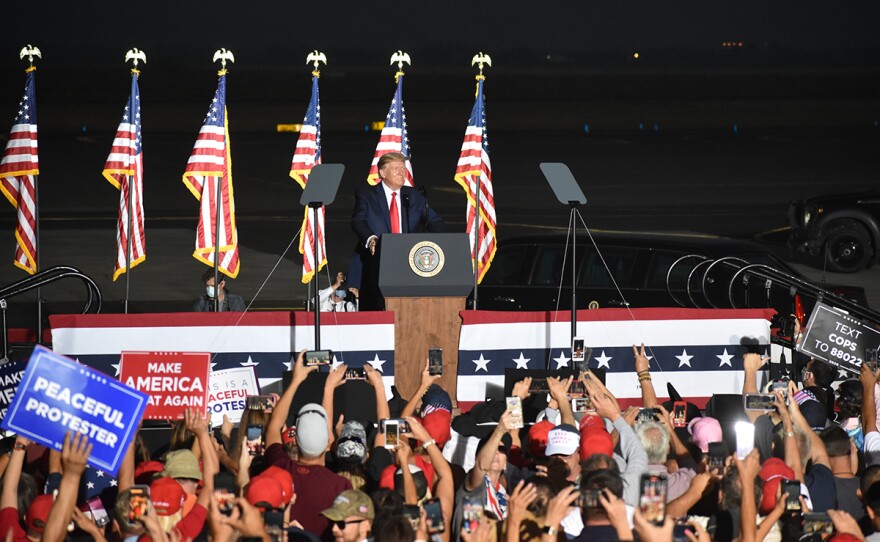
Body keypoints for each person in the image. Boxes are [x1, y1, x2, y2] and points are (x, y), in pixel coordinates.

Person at [348, 152, 446, 310]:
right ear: (382, 173)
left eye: (403, 169)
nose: (402, 173)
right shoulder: (367, 194)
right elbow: (358, 221)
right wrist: (371, 238)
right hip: (376, 263)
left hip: (409, 263)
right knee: (377, 311)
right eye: (396, 169)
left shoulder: (413, 196)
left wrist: (445, 242)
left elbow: (435, 221)